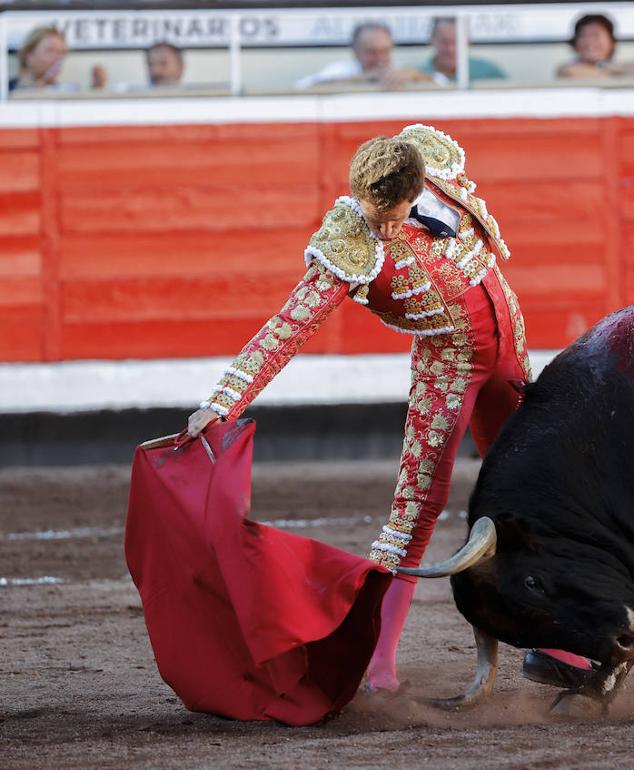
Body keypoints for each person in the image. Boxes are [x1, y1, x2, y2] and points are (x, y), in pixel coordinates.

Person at [185, 125, 591, 694]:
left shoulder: (440, 173)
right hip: (446, 370)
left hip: (511, 356)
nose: (384, 228)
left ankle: (555, 643)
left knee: (537, 494)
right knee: (414, 513)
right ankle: (375, 664)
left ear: (419, 188)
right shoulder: (352, 240)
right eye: (376, 215)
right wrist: (224, 400)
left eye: (395, 214)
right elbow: (289, 325)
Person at [295, 21, 430, 90]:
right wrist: (360, 79)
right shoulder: (342, 70)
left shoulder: (400, 70)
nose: (380, 59)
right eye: (372, 52)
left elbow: (444, 84)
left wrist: (415, 76)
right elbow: (304, 87)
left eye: (384, 51)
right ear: (356, 51)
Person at [556, 13, 634, 79]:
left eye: (596, 35)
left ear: (611, 42)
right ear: (575, 43)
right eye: (583, 36)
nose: (589, 42)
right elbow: (570, 73)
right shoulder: (566, 68)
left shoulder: (614, 67)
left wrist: (607, 69)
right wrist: (616, 73)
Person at [8, 25, 105, 93]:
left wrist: (96, 89)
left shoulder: (65, 92)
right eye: (50, 51)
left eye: (61, 52)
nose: (58, 58)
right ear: (28, 55)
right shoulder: (5, 91)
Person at [418, 17, 506, 86]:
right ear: (432, 41)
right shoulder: (417, 75)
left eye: (457, 42)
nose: (450, 49)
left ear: (468, 42)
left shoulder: (489, 73)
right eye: (444, 42)